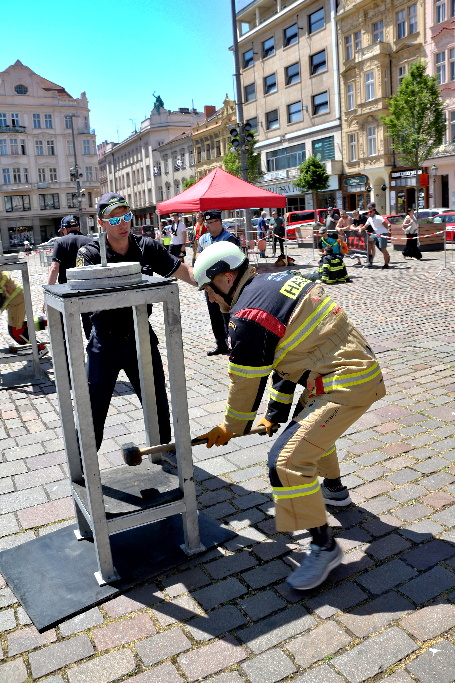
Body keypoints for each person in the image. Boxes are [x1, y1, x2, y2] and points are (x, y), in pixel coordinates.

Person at [193, 242, 386, 590]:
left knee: (283, 461)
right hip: (344, 373)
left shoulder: (247, 317)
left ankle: (323, 545)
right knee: (308, 432)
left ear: (224, 278)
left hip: (342, 384)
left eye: (207, 290)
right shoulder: (276, 282)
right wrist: (275, 413)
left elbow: (246, 384)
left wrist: (230, 427)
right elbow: (286, 363)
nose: (209, 299)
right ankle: (335, 491)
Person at [76, 192, 195, 451]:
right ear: (101, 222)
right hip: (104, 341)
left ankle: (163, 452)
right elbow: (80, 298)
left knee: (156, 401)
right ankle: (85, 463)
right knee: (93, 406)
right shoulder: (90, 253)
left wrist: (215, 284)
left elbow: (183, 272)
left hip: (140, 335)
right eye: (114, 218)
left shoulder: (146, 247)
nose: (123, 223)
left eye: (126, 216)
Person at [196, 210, 240, 356]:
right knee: (214, 314)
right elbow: (197, 256)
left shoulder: (229, 238)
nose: (207, 225)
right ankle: (220, 344)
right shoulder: (203, 239)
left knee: (227, 313)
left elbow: (234, 261)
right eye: (206, 223)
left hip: (225, 285)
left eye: (210, 223)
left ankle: (232, 344)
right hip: (209, 284)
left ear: (219, 222)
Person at [46, 215, 94, 338]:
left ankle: (69, 353)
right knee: (91, 326)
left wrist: (48, 293)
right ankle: (94, 351)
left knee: (68, 328)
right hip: (87, 289)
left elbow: (54, 268)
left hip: (66, 290)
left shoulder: (60, 242)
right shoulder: (89, 241)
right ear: (77, 227)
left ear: (64, 229)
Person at [0, 271, 47, 351]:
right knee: (18, 326)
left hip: (16, 299)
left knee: (15, 331)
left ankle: (39, 348)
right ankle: (47, 322)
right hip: (14, 297)